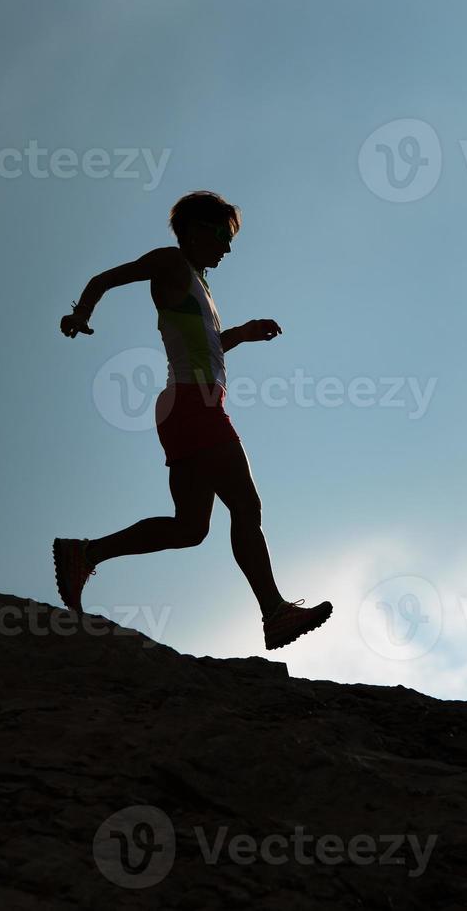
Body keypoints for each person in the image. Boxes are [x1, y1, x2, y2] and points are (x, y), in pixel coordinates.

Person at [52, 190, 331, 651]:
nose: (227, 246)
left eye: (230, 237)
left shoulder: (199, 282)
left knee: (190, 528)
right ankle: (275, 614)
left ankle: (85, 553)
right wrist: (81, 314)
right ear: (195, 230)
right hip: (194, 404)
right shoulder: (171, 262)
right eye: (222, 234)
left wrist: (240, 334)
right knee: (246, 507)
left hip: (181, 407)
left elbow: (205, 344)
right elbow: (105, 278)